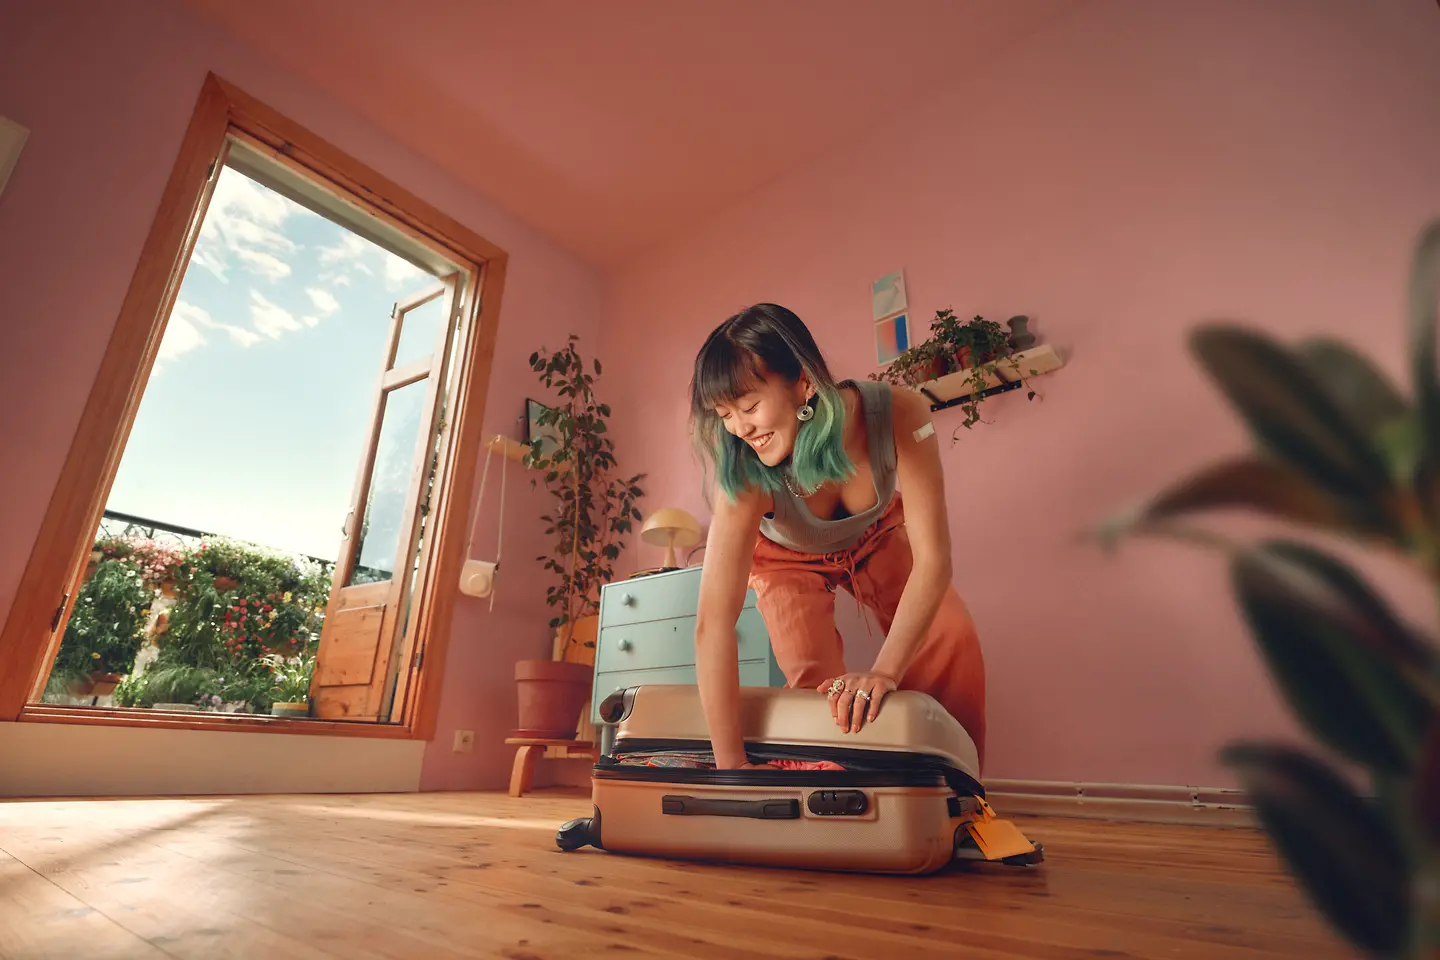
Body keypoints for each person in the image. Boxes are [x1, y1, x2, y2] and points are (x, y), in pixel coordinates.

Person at [689, 303, 987, 773]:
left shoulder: (900, 412)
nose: (739, 429)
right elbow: (712, 625)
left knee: (951, 635)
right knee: (820, 696)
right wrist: (732, 768)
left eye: (749, 407)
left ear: (803, 382)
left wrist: (885, 671)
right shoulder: (744, 480)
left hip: (878, 536)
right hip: (785, 561)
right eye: (724, 414)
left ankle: (960, 793)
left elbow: (934, 561)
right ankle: (844, 808)